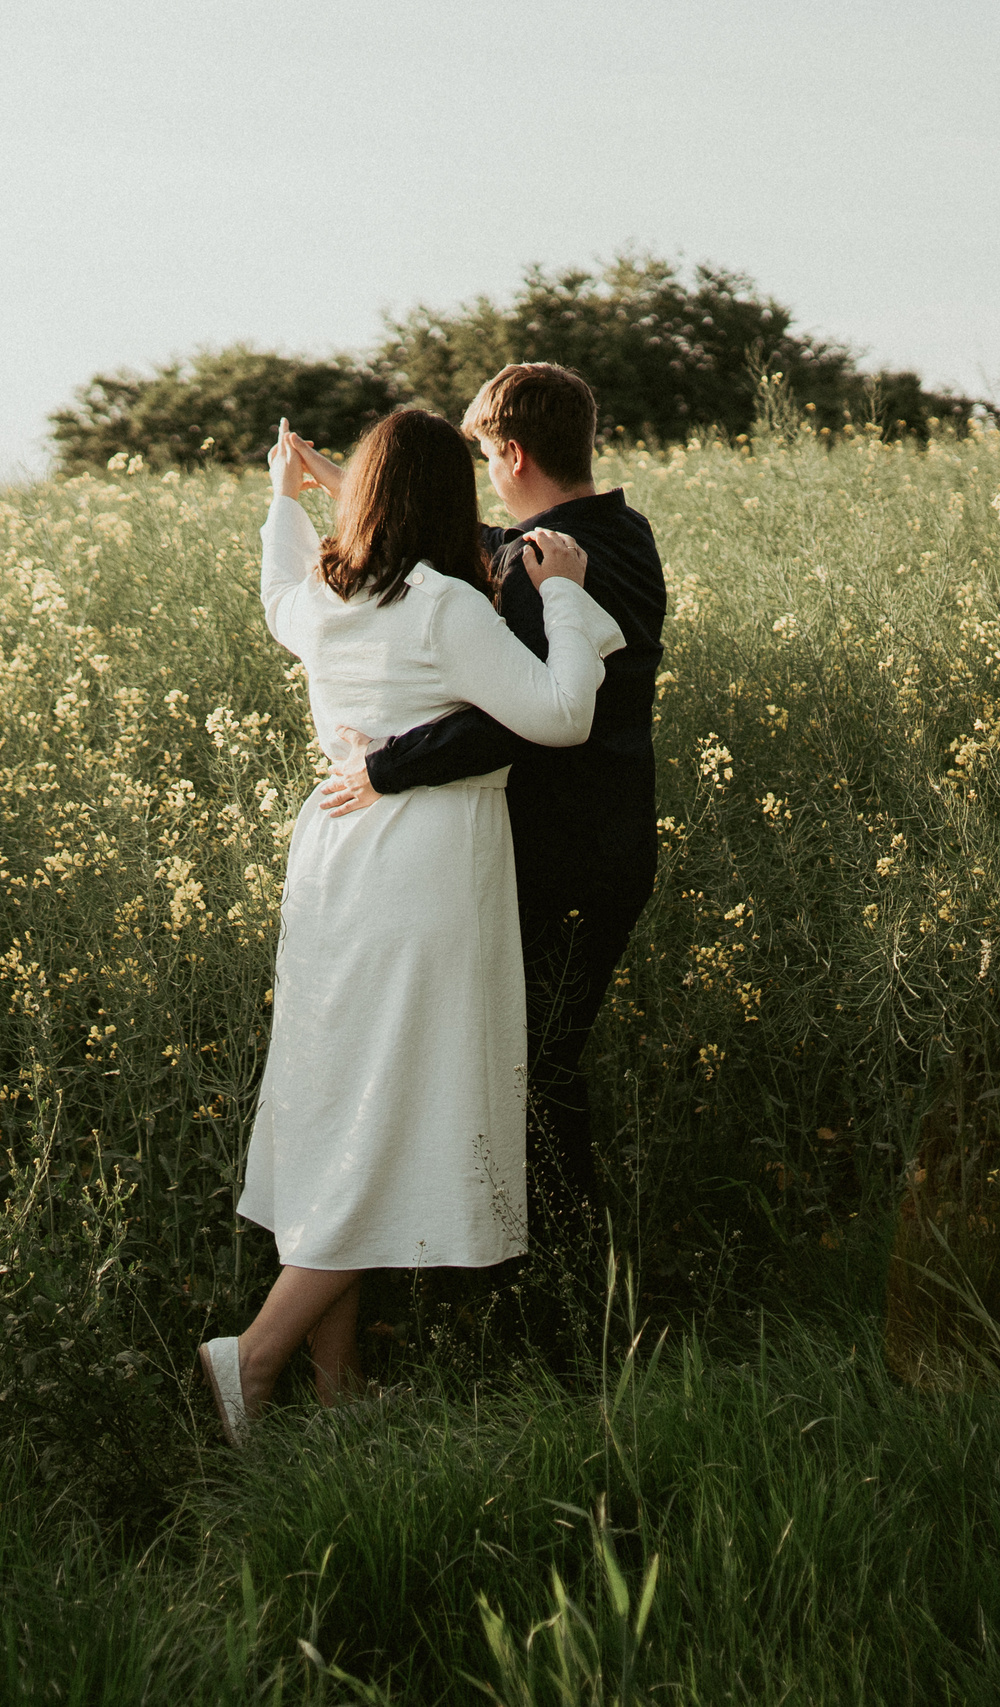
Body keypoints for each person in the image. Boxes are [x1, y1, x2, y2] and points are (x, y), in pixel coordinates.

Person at [199, 409, 625, 1442]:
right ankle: (251, 1358)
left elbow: (273, 590)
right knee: (393, 1114)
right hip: (426, 863)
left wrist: (282, 498)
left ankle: (338, 1390)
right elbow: (561, 714)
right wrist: (563, 595)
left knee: (340, 1098)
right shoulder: (439, 605)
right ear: (448, 498)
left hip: (338, 862)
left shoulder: (323, 599)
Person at [299, 364, 667, 1321]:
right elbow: (474, 541)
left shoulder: (572, 562)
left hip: (570, 859)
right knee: (517, 1071)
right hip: (577, 852)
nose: (482, 481)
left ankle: (574, 1310)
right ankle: (526, 1298)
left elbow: (517, 718)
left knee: (535, 1077)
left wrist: (384, 768)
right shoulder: (601, 535)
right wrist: (361, 489)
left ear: (511, 453)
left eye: (481, 458)